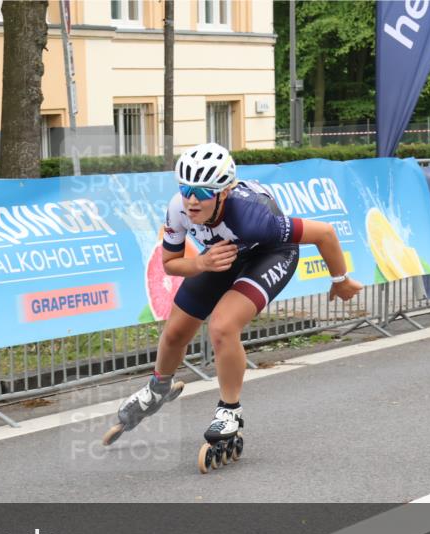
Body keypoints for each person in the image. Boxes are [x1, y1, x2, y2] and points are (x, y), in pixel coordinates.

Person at [110, 142, 364, 451]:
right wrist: (200, 263)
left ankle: (229, 410)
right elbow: (170, 263)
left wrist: (340, 280)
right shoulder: (178, 208)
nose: (192, 200)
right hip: (222, 255)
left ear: (224, 192)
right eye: (186, 189)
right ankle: (158, 388)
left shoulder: (252, 216)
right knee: (175, 331)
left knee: (222, 325)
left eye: (203, 192)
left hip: (271, 254)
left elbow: (324, 233)